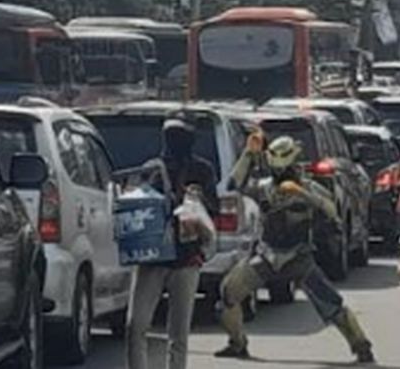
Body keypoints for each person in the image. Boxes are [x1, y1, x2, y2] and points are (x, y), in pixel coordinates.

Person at [216, 136, 375, 364]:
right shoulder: (264, 188)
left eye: (286, 169)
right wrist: (248, 154)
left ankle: (362, 347)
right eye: (277, 170)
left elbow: (332, 211)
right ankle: (237, 343)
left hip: (299, 257)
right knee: (228, 294)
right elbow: (234, 185)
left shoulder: (310, 188)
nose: (282, 174)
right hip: (267, 255)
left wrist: (303, 195)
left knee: (332, 305)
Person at [125, 114, 218, 369]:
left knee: (178, 335)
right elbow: (137, 207)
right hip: (151, 258)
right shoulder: (151, 168)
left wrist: (196, 203)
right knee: (135, 327)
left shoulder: (202, 171)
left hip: (187, 260)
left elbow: (214, 210)